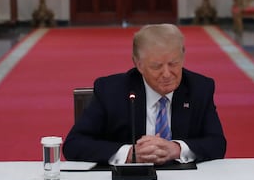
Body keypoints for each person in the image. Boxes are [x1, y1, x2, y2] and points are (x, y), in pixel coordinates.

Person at [63, 23, 226, 164]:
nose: (167, 74)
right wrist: (130, 154)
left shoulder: (199, 88)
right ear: (138, 65)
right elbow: (74, 145)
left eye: (174, 64)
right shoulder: (111, 91)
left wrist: (176, 149)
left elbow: (217, 144)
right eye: (157, 66)